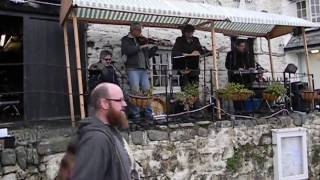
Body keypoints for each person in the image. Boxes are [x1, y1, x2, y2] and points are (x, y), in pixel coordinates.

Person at [71, 83, 139, 180]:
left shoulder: (110, 131)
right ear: (105, 104)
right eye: (119, 100)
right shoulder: (96, 139)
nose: (124, 104)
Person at [121, 22, 157, 119]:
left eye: (141, 30)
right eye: (138, 30)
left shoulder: (142, 40)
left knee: (147, 91)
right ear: (133, 30)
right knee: (135, 91)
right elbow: (127, 51)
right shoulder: (126, 39)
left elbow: (146, 55)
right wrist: (140, 47)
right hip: (132, 69)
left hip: (143, 69)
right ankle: (135, 114)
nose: (140, 32)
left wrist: (153, 50)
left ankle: (149, 113)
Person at [172, 24, 203, 89]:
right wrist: (184, 54)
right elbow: (174, 52)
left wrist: (198, 52)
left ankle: (195, 99)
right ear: (184, 32)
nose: (190, 33)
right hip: (184, 68)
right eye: (188, 32)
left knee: (195, 88)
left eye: (191, 32)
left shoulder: (196, 40)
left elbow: (201, 50)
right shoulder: (179, 40)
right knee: (185, 88)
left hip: (194, 68)